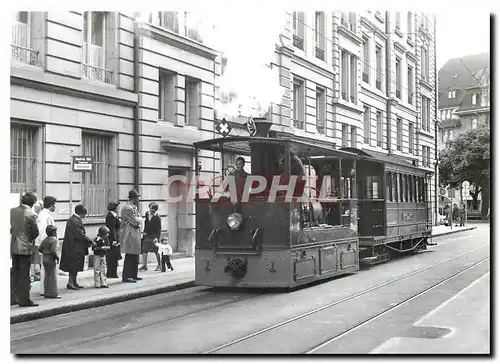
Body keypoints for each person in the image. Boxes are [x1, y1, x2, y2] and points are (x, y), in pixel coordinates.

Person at [11, 192, 39, 307]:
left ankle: (12, 298)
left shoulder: (12, 211)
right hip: (25, 247)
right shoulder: (31, 213)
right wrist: (30, 240)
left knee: (15, 272)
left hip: (13, 245)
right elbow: (35, 232)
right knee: (24, 274)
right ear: (33, 202)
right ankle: (24, 299)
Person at [60, 204, 93, 290]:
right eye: (85, 214)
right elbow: (80, 234)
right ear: (82, 213)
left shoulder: (74, 219)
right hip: (74, 247)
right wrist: (90, 241)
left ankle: (74, 282)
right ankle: (71, 282)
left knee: (76, 265)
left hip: (74, 246)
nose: (85, 216)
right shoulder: (75, 220)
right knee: (73, 266)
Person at [35, 196, 57, 296]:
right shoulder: (45, 216)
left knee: (46, 269)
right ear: (51, 205)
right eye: (54, 205)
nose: (55, 207)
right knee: (46, 269)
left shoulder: (44, 214)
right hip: (47, 248)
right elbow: (43, 232)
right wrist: (48, 246)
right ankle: (46, 290)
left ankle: (47, 289)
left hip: (46, 246)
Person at [120, 189, 143, 283]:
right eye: (137, 197)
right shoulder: (128, 208)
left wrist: (139, 220)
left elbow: (137, 220)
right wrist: (140, 220)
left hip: (134, 233)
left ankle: (133, 275)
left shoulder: (133, 207)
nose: (138, 199)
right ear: (133, 198)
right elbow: (135, 221)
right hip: (129, 234)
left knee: (135, 255)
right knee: (130, 255)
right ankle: (127, 276)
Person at [38, 225, 60, 299]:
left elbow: (40, 249)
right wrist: (57, 257)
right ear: (53, 232)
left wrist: (45, 252)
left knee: (47, 276)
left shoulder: (45, 240)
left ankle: (46, 292)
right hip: (51, 259)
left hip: (44, 258)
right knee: (52, 276)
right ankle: (53, 293)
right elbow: (53, 251)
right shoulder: (54, 240)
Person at [140, 202, 162, 272]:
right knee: (144, 249)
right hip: (147, 235)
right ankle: (144, 265)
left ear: (156, 210)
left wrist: (157, 237)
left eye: (153, 209)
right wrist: (144, 232)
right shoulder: (147, 214)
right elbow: (146, 223)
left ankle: (160, 265)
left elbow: (159, 229)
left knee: (156, 250)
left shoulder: (157, 217)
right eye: (150, 208)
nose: (151, 210)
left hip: (154, 235)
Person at [105, 200, 121, 279]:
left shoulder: (114, 215)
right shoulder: (111, 216)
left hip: (115, 237)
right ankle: (111, 273)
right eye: (117, 207)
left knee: (114, 256)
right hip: (112, 239)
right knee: (112, 256)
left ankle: (113, 272)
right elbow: (112, 229)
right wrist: (114, 240)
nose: (118, 208)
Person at [30, 200, 44, 283]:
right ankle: (34, 274)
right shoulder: (36, 216)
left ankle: (34, 274)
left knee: (35, 259)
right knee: (36, 259)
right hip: (37, 240)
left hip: (36, 240)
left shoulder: (35, 216)